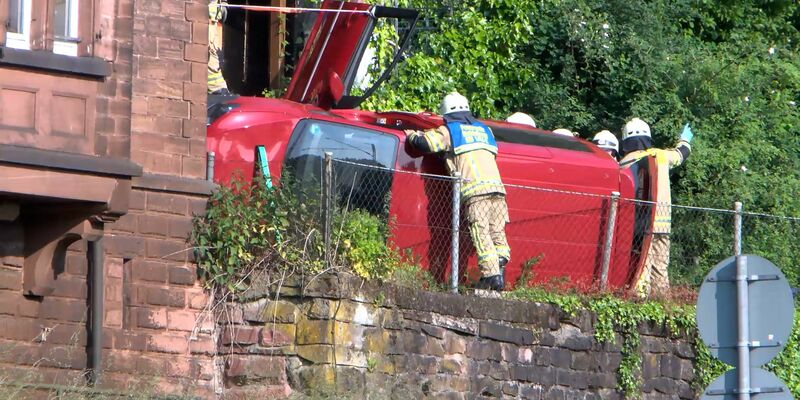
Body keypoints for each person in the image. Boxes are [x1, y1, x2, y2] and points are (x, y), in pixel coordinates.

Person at [405, 92, 509, 291]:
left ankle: (491, 276)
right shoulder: (485, 130)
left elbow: (424, 144)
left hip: (475, 192)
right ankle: (500, 270)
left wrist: (411, 135)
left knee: (481, 232)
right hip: (498, 189)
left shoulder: (449, 130)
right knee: (497, 232)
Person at [619, 117, 693, 297]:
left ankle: (640, 300)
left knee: (641, 264)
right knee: (660, 267)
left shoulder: (622, 164)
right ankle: (661, 303)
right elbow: (681, 154)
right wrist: (685, 140)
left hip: (637, 225)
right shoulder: (659, 156)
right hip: (662, 224)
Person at [208, 1, 229, 94]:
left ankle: (219, 89)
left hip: (213, 22)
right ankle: (217, 90)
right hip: (204, 21)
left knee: (213, 56)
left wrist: (223, 4)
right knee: (209, 56)